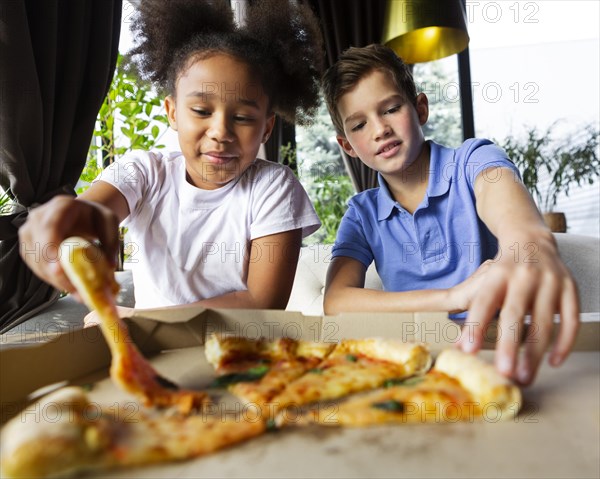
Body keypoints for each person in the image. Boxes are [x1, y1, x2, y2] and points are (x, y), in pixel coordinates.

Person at [18, 0, 324, 320]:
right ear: (173, 112)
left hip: (243, 349)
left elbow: (261, 302)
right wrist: (64, 221)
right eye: (202, 111)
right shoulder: (143, 171)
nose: (220, 131)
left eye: (244, 117)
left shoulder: (274, 187)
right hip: (153, 353)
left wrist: (140, 319)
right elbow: (91, 212)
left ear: (267, 128)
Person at [321, 44, 579, 385]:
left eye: (391, 108)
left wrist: (530, 239)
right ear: (348, 146)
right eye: (359, 125)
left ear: (420, 108)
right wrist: (453, 297)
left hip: (491, 351)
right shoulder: (362, 214)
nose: (379, 129)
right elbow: (337, 300)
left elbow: (500, 195)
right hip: (411, 361)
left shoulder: (473, 160)